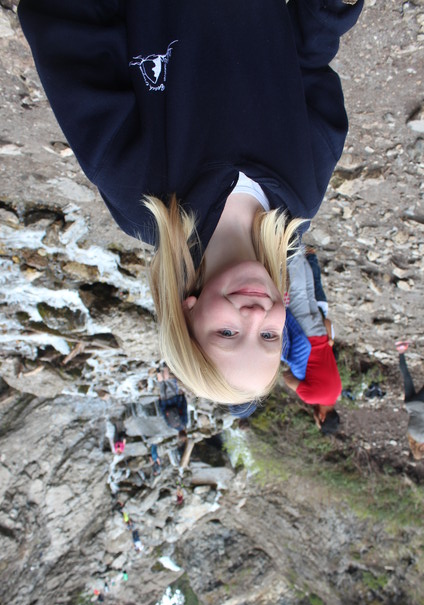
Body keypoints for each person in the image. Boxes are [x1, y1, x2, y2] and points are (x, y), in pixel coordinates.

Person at [18, 0, 363, 403]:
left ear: (187, 313)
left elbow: (64, 28)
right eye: (269, 335)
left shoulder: (143, 199)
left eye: (228, 334)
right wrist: (329, 12)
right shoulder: (300, 201)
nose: (254, 317)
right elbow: (309, 64)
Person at [282, 250, 342, 434]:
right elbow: (287, 378)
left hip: (321, 333)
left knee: (308, 293)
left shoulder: (337, 392)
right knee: (298, 293)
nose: (315, 418)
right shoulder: (311, 397)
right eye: (317, 421)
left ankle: (299, 252)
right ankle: (293, 248)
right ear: (322, 418)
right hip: (305, 336)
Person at [395, 341, 424, 460]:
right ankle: (401, 350)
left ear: (421, 449)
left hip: (420, 404)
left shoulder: (422, 437)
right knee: (406, 377)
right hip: (409, 405)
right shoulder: (411, 435)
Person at [157, 367, 188, 432]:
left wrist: (182, 396)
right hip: (164, 401)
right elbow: (163, 413)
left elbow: (184, 407)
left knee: (168, 381)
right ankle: (158, 370)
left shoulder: (184, 422)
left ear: (185, 432)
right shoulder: (170, 425)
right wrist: (159, 401)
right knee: (161, 384)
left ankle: (164, 365)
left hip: (174, 399)